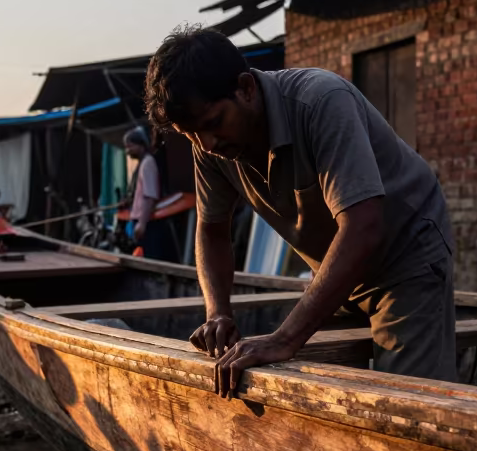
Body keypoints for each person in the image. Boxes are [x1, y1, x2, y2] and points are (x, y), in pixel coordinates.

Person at [145, 25, 456, 396]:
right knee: (318, 391)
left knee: (408, 403)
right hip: (337, 271)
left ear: (245, 88)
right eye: (190, 134)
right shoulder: (209, 144)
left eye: (213, 124)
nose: (207, 144)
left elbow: (363, 225)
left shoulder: (321, 101)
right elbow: (212, 230)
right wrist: (218, 313)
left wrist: (285, 338)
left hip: (406, 257)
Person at [123, 126, 172, 260]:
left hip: (148, 222)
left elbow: (150, 195)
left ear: (141, 145)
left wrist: (142, 223)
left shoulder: (148, 163)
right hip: (143, 220)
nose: (128, 151)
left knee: (151, 260)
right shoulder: (143, 163)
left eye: (130, 146)